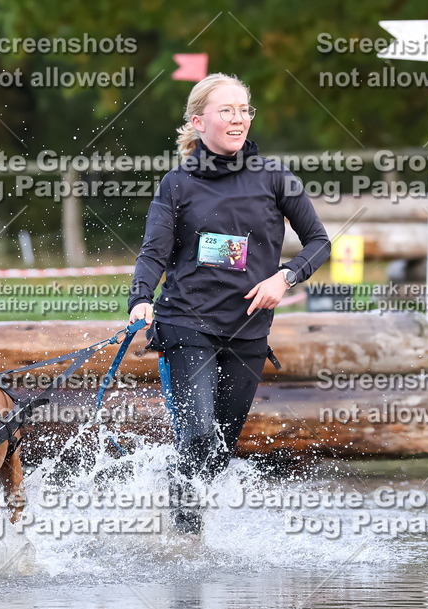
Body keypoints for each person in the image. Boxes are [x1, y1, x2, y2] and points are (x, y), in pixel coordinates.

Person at [127, 73, 331, 534]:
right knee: (198, 435)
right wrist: (141, 298)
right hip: (186, 323)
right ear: (199, 122)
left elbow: (319, 241)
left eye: (244, 109)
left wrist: (286, 275)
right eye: (227, 110)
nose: (239, 118)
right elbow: (154, 252)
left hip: (248, 330)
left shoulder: (275, 177)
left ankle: (175, 500)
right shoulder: (176, 184)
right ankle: (184, 543)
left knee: (219, 448)